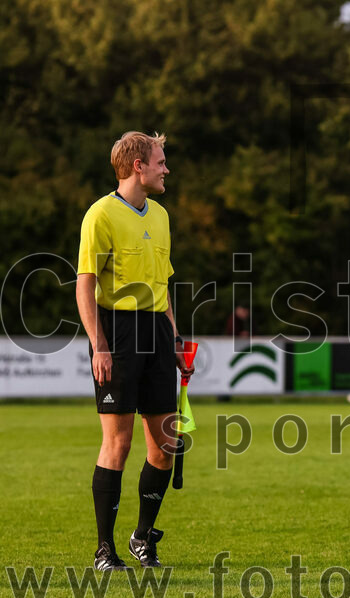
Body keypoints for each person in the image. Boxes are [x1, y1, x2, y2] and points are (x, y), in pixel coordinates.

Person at [76, 131, 194, 571]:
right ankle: (104, 550)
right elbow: (85, 285)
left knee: (166, 444)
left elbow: (162, 286)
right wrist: (99, 346)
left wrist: (175, 339)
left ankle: (142, 536)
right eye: (161, 162)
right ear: (138, 166)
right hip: (118, 332)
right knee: (118, 443)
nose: (167, 169)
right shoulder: (100, 214)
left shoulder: (161, 215)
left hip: (158, 332)